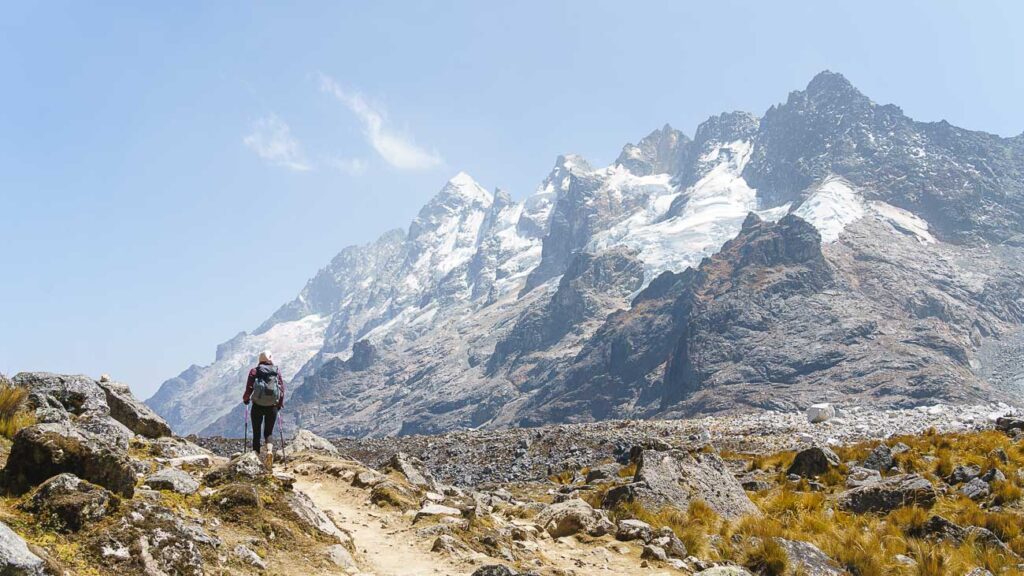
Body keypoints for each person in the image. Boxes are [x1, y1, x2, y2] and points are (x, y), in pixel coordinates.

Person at [242, 350, 284, 467]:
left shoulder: (254, 371)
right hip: (272, 406)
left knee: (256, 432)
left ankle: (256, 457)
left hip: (257, 406)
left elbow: (249, 388)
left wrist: (246, 399)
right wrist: (279, 404)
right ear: (270, 359)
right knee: (268, 432)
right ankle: (270, 451)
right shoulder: (276, 371)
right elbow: (281, 389)